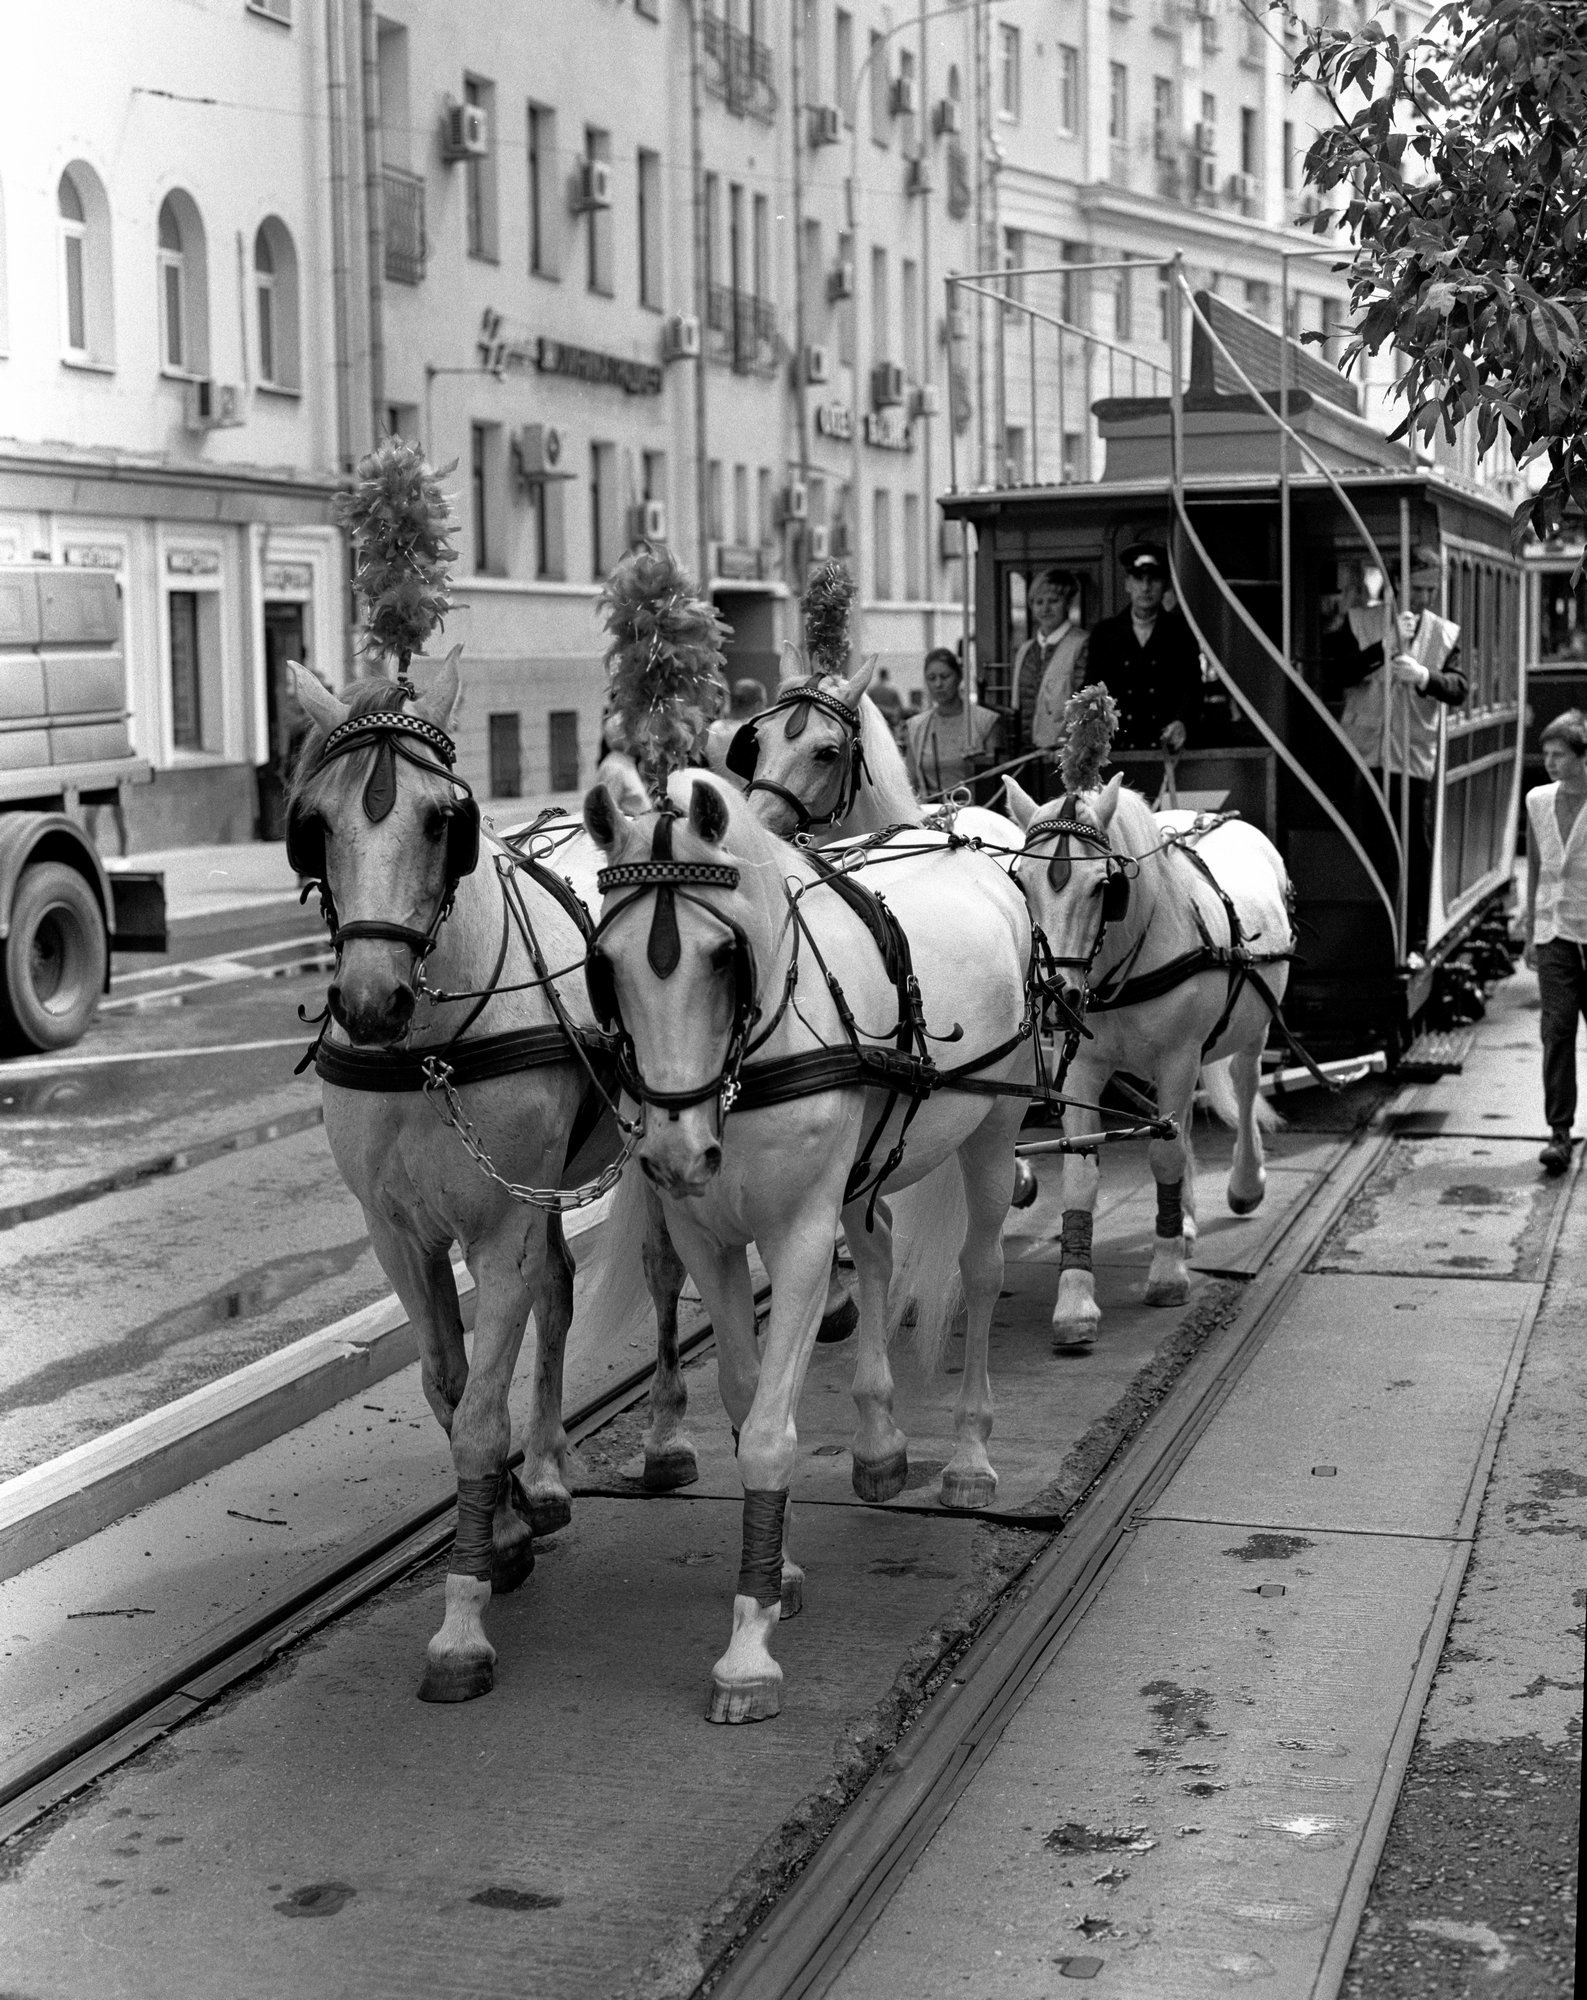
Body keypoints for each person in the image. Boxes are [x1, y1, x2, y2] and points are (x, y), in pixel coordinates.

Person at [1327, 559, 1466, 958]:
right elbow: (1338, 674)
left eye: (1430, 591)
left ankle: (1412, 940)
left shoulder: (1444, 632)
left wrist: (1424, 677)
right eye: (1417, 588)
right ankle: (1366, 936)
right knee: (1365, 846)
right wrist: (1385, 646)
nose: (1424, 598)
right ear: (1397, 583)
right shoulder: (1359, 621)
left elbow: (1459, 687)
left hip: (1412, 758)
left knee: (1413, 852)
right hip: (1364, 755)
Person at [1524, 709, 1587, 1174]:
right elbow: (1533, 865)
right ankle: (1560, 1134)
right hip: (1554, 934)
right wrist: (1529, 930)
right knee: (1557, 1031)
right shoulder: (1538, 800)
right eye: (1545, 754)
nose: (1549, 762)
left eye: (1559, 754)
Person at [1078, 542, 1202, 762]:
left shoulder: (1181, 632)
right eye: (1138, 579)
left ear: (1164, 586)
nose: (1145, 588)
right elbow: (1092, 688)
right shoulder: (1105, 633)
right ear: (1127, 584)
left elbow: (1192, 687)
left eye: (1153, 580)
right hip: (1119, 748)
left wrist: (1182, 721)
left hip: (1167, 749)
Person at [1012, 569, 1088, 772]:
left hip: (1065, 758)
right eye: (1039, 602)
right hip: (1028, 756)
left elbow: (1084, 700)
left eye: (1053, 601)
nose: (1045, 608)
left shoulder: (1082, 643)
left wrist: (1068, 739)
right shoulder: (1025, 650)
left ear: (1068, 604)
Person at [904, 648, 1000, 797]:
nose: (938, 684)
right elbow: (910, 781)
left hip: (977, 812)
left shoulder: (985, 721)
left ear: (959, 677)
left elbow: (994, 780)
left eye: (945, 676)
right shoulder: (916, 727)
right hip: (932, 813)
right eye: (931, 678)